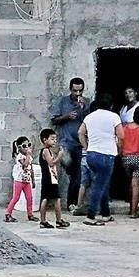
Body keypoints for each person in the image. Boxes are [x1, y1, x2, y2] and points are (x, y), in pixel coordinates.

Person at [78, 95, 123, 226]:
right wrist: (119, 150)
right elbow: (121, 136)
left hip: (91, 154)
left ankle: (105, 213)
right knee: (99, 185)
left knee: (102, 183)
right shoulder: (114, 117)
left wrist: (86, 146)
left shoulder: (90, 117)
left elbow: (80, 132)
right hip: (107, 154)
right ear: (111, 106)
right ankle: (91, 215)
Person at [50, 77, 88, 211]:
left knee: (77, 175)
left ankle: (72, 203)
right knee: (68, 166)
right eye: (75, 90)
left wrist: (83, 109)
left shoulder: (86, 103)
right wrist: (66, 117)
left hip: (79, 144)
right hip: (66, 142)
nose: (77, 94)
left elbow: (89, 121)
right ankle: (72, 173)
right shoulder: (63, 102)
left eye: (80, 91)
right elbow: (54, 120)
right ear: (70, 89)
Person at [37, 128, 70, 229]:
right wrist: (59, 156)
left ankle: (45, 220)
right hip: (49, 178)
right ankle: (57, 220)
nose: (54, 141)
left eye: (55, 139)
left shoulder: (48, 151)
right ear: (44, 140)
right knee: (55, 199)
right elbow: (51, 163)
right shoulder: (46, 151)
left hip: (50, 177)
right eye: (52, 139)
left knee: (46, 198)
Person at [4, 136, 38, 223]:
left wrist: (33, 180)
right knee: (16, 198)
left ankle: (30, 214)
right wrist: (28, 155)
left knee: (29, 198)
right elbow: (25, 165)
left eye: (28, 145)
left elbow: (31, 168)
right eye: (24, 146)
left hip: (27, 181)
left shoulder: (28, 157)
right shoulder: (19, 157)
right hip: (19, 180)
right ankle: (8, 213)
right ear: (19, 148)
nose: (27, 148)